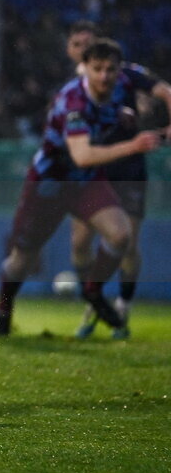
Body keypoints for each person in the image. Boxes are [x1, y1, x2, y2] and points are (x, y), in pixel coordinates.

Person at [0, 39, 164, 338]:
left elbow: (160, 91)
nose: (105, 76)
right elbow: (82, 156)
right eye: (98, 69)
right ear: (86, 69)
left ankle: (93, 291)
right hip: (50, 182)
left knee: (121, 235)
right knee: (23, 257)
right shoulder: (73, 102)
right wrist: (133, 144)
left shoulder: (122, 84)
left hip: (85, 182)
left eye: (110, 69)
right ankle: (4, 310)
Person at [60, 21, 171, 339]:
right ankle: (93, 299)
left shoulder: (124, 74)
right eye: (77, 43)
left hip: (129, 171)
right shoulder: (72, 90)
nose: (83, 48)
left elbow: (163, 90)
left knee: (128, 243)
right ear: (70, 51)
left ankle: (122, 304)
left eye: (88, 42)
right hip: (91, 172)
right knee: (79, 244)